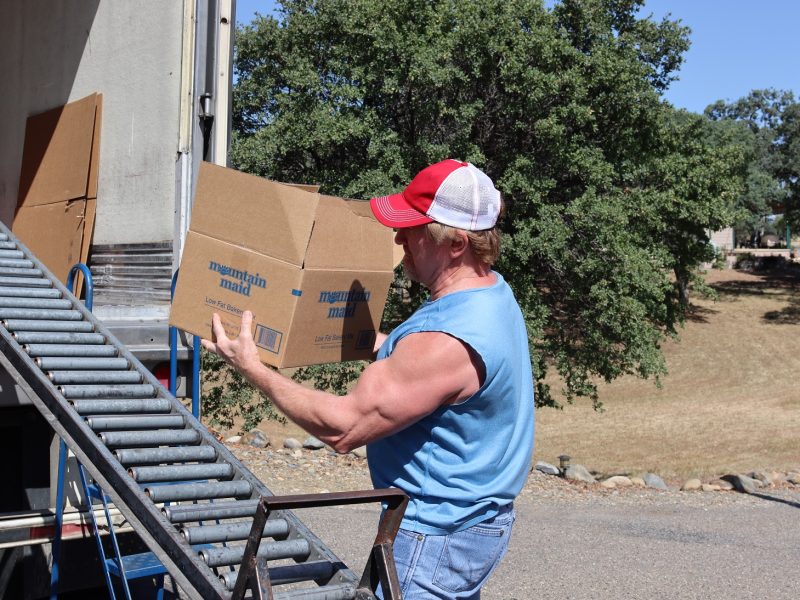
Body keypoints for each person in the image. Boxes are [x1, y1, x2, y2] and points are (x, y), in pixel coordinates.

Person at [202, 159, 535, 599]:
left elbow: (344, 427)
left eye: (413, 229)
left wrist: (254, 369)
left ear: (455, 243)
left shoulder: (446, 341)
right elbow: (419, 369)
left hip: (433, 536)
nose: (399, 239)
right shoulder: (491, 293)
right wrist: (331, 335)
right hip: (474, 521)